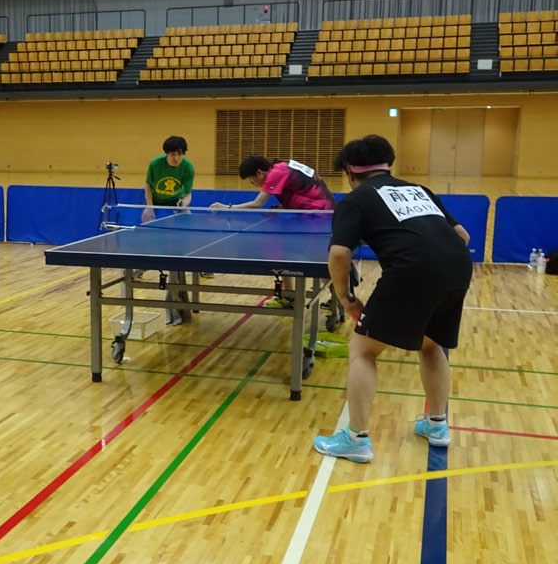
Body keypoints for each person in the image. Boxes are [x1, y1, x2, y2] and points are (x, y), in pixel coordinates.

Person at [313, 134, 472, 463]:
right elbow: (462, 235)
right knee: (431, 344)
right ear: (388, 165)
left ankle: (356, 439)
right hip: (458, 268)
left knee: (362, 350)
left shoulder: (355, 200)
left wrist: (345, 298)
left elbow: (339, 254)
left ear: (349, 171)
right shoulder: (419, 190)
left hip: (412, 273)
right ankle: (437, 425)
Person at [212, 155, 337, 308]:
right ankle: (292, 296)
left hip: (318, 217)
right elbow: (305, 190)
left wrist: (228, 208)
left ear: (259, 172)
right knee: (285, 251)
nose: (253, 184)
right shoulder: (284, 166)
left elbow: (257, 204)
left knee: (315, 260)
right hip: (321, 213)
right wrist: (283, 208)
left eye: (252, 180)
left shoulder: (275, 173)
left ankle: (338, 295)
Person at [141, 136, 199, 322]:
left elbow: (188, 194)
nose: (176, 158)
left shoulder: (188, 167)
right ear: (167, 153)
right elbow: (148, 185)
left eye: (180, 154)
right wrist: (150, 207)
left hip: (176, 202)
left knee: (190, 227)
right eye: (173, 154)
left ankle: (200, 264)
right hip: (156, 201)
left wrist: (184, 204)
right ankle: (138, 269)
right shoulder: (155, 164)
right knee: (144, 234)